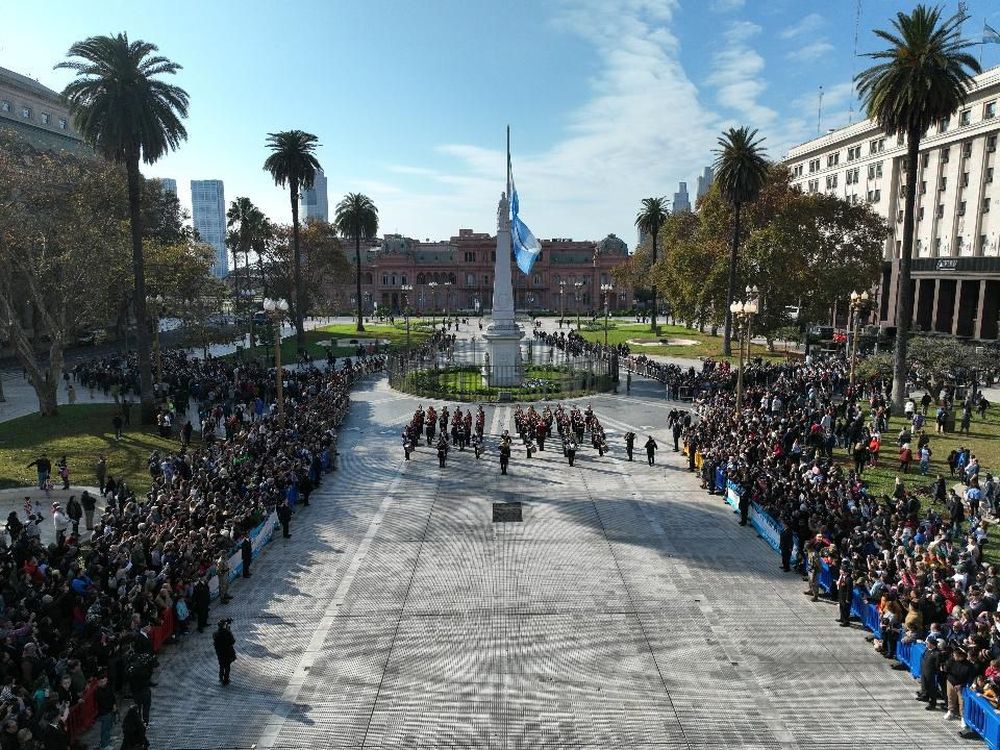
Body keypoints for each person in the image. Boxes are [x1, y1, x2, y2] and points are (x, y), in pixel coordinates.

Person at [916, 638, 942, 710]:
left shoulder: (937, 653)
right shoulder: (927, 650)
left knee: (932, 688)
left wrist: (935, 672)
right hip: (924, 671)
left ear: (932, 644)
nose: (926, 644)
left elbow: (937, 665)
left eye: (928, 643)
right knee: (924, 685)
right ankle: (925, 696)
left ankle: (932, 703)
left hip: (931, 673)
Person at [94, 673, 117, 750]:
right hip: (104, 712)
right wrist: (111, 707)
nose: (104, 683)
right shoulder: (98, 692)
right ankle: (104, 744)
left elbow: (112, 696)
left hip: (110, 710)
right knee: (105, 728)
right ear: (99, 682)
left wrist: (114, 704)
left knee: (109, 726)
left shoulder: (108, 687)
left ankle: (108, 739)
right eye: (102, 682)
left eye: (105, 681)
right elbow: (103, 703)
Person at [213, 618, 237, 685]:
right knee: (227, 667)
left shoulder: (215, 634)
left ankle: (220, 678)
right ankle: (226, 680)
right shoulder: (227, 633)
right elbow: (232, 641)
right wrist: (229, 631)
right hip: (227, 652)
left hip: (220, 653)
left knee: (221, 666)